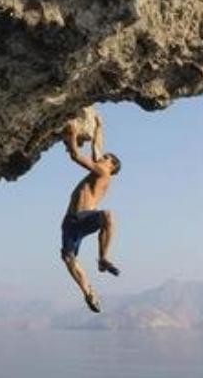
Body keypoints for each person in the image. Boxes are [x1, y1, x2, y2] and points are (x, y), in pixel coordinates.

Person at [60, 115, 122, 313]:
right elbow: (97, 148)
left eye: (106, 158)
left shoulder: (103, 172)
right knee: (68, 258)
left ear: (111, 166)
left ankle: (103, 258)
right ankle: (88, 293)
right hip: (70, 221)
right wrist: (98, 127)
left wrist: (73, 133)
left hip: (86, 216)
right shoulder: (100, 170)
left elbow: (76, 156)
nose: (101, 157)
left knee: (108, 216)